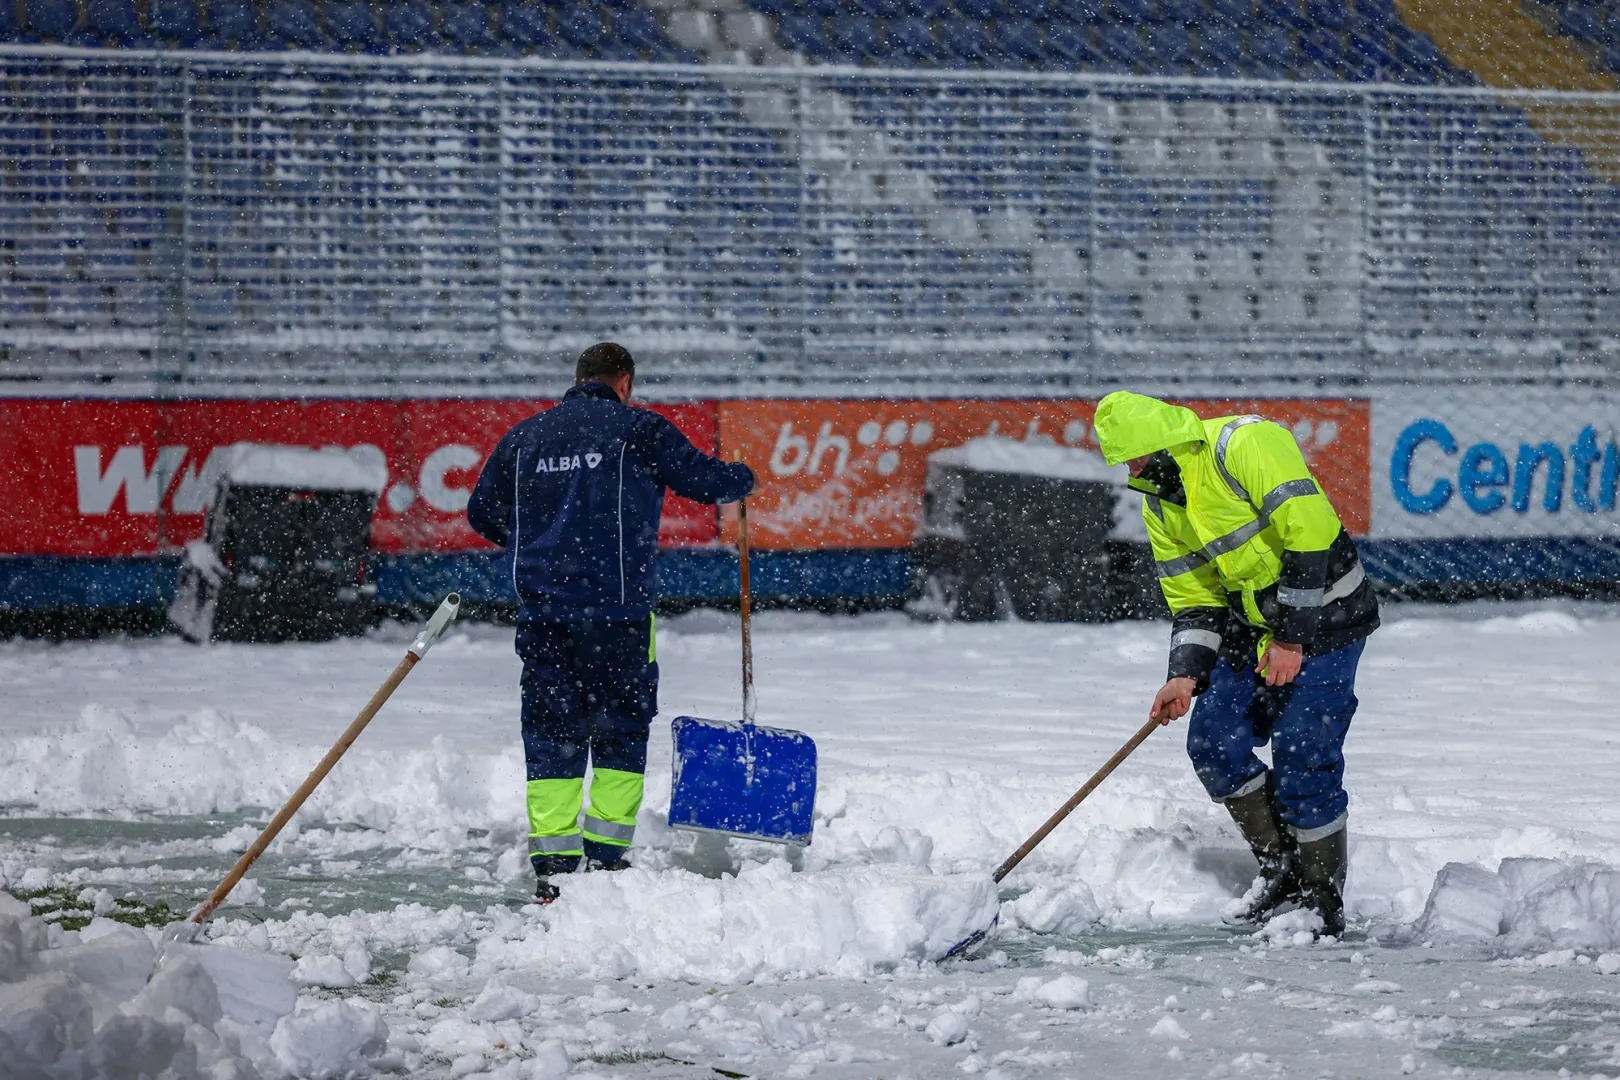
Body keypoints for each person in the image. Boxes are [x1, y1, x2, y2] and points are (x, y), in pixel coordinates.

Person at [467, 343, 755, 903]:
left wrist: (540, 545)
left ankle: (553, 864)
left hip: (545, 613)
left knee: (552, 730)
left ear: (578, 379)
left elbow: (482, 511)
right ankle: (605, 860)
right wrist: (741, 478)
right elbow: (703, 480)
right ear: (623, 381)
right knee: (620, 728)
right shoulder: (637, 429)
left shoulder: (527, 436)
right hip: (618, 614)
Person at [1093, 391, 1379, 937]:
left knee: (1302, 752)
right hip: (1252, 630)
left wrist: (1291, 640)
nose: (1131, 470)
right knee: (1214, 743)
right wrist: (1184, 671)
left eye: (1134, 456)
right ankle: (1285, 872)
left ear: (1166, 443)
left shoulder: (1246, 443)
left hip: (1327, 617)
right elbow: (1194, 597)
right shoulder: (1162, 501)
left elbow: (1311, 532)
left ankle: (1321, 898)